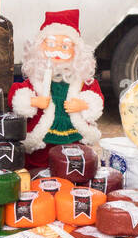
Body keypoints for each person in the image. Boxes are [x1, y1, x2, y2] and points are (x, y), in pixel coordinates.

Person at [8, 9, 104, 171]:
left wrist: (83, 105)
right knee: (38, 166)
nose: (57, 50)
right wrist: (33, 101)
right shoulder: (34, 79)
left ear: (77, 52)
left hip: (73, 137)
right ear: (39, 48)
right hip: (42, 141)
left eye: (65, 46)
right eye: (51, 44)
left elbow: (96, 98)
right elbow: (16, 96)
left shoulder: (82, 81)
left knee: (73, 164)